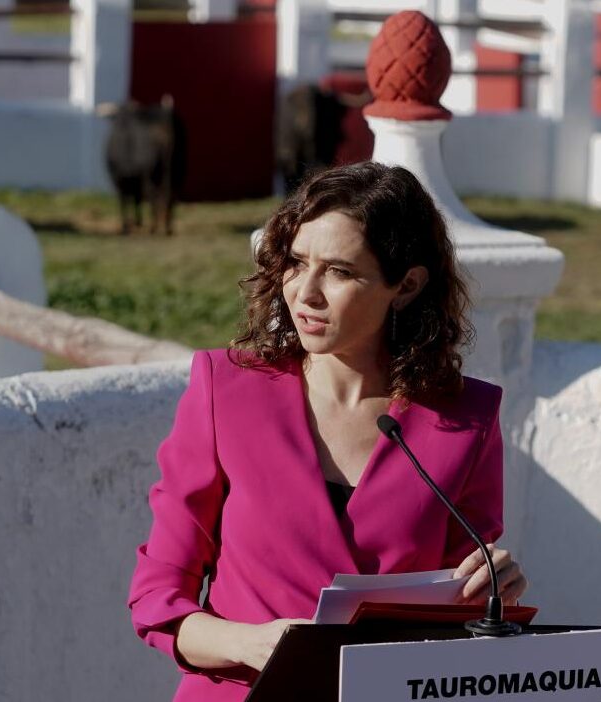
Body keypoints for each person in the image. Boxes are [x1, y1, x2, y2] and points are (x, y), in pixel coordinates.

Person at [128, 162, 528, 702]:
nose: (306, 293)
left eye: (340, 271)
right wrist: (251, 643)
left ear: (406, 285)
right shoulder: (224, 391)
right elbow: (158, 599)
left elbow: (458, 625)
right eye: (296, 263)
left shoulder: (466, 420)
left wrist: (491, 591)